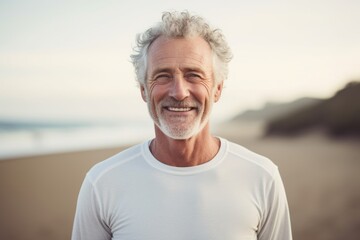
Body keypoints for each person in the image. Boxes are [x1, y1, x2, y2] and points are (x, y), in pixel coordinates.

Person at [72, 11, 292, 240]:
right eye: (163, 76)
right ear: (144, 90)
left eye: (194, 75)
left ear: (217, 88)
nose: (179, 92)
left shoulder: (262, 177)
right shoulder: (102, 183)